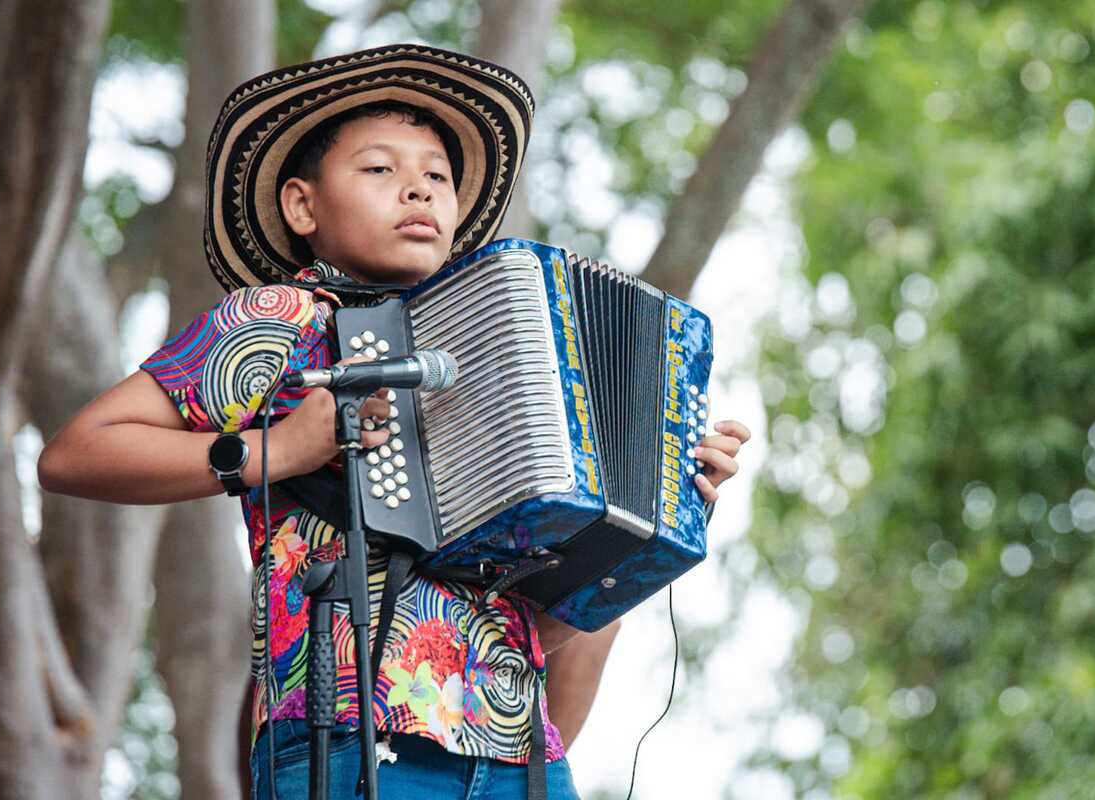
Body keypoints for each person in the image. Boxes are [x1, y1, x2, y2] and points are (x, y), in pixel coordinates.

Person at [38, 44, 749, 799]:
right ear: (303, 206)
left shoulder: (494, 355)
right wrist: (274, 449)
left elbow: (551, 631)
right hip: (346, 739)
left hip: (520, 757)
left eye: (437, 177)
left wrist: (660, 513)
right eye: (380, 170)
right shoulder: (284, 316)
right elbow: (76, 455)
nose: (418, 189)